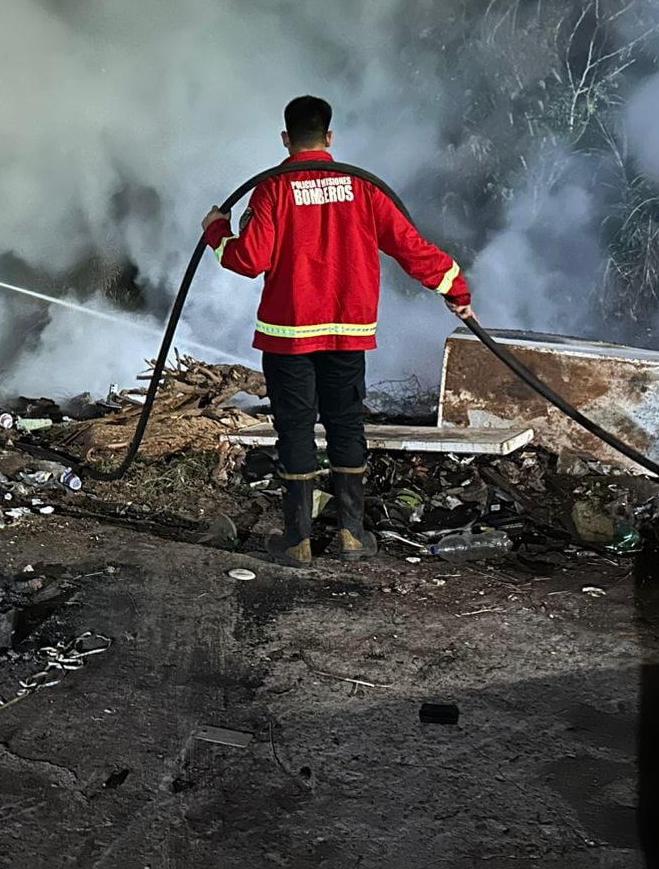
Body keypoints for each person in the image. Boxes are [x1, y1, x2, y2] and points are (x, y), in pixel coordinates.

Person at [201, 96, 475, 567]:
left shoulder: (273, 189)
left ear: (286, 139)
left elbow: (248, 259)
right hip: (347, 333)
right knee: (346, 423)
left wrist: (216, 230)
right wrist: (454, 287)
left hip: (288, 335)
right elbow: (410, 246)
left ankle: (298, 541)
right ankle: (351, 535)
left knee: (295, 429)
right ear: (329, 137)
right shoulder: (362, 186)